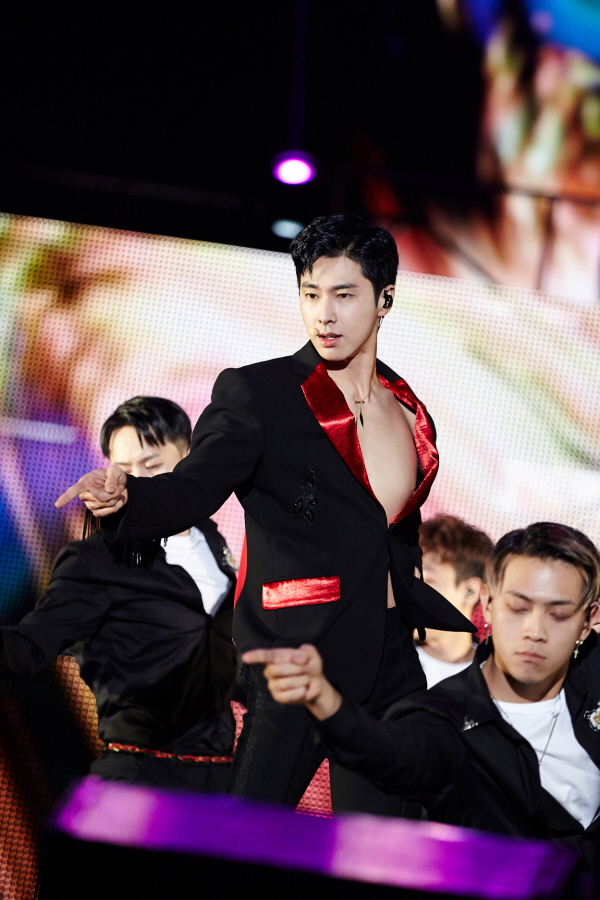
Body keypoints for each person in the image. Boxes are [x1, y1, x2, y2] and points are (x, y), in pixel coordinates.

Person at [55, 214, 474, 812]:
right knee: (242, 839)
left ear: (384, 300)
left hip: (389, 664)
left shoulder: (408, 408)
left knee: (380, 847)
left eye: (344, 295)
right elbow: (192, 488)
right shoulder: (259, 393)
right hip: (296, 657)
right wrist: (130, 497)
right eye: (311, 294)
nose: (324, 314)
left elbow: (391, 535)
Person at [247, 522, 600, 880]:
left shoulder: (592, 671)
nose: (535, 632)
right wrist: (327, 703)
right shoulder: (445, 716)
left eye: (558, 615)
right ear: (489, 603)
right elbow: (391, 753)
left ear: (588, 621)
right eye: (519, 608)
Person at [1, 396, 237, 792]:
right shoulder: (96, 561)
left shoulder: (214, 543)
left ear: (189, 457)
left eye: (152, 465)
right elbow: (27, 647)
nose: (136, 481)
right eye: (124, 470)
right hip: (139, 781)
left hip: (221, 783)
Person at [416, 515, 493, 687]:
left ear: (470, 592)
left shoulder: (492, 677)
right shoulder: (385, 661)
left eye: (427, 580)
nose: (410, 593)